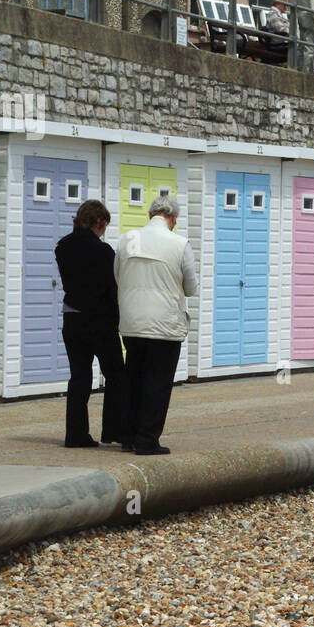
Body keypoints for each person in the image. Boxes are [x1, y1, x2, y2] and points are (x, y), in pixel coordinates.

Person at [116, 195, 198, 456]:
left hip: (132, 322)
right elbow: (191, 288)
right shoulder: (180, 243)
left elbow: (118, 276)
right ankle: (147, 440)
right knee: (157, 382)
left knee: (134, 378)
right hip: (164, 324)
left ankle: (128, 436)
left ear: (150, 215)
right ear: (172, 217)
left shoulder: (126, 239)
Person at [55, 199, 126, 448]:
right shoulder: (104, 252)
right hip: (100, 322)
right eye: (104, 224)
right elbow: (111, 289)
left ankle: (75, 435)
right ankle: (113, 431)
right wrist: (119, 320)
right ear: (98, 222)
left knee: (79, 378)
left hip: (72, 318)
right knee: (116, 375)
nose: (105, 229)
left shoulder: (62, 247)